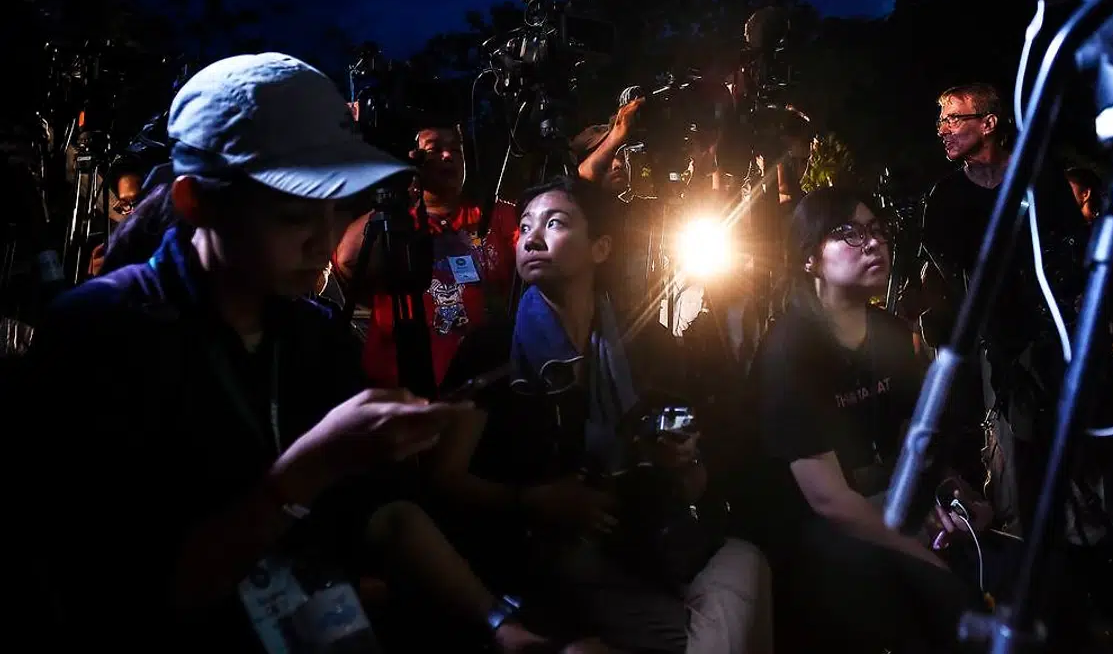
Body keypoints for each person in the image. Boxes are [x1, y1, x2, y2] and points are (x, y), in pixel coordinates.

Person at [18, 53, 575, 652]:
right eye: (291, 214)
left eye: (334, 207)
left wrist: (501, 627)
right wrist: (310, 468)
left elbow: (382, 515)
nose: (323, 238)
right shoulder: (102, 332)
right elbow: (116, 591)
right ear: (195, 202)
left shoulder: (316, 335)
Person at [491, 174, 772, 654]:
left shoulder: (641, 342)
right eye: (525, 226)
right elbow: (446, 482)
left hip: (647, 541)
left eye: (554, 223)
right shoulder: (497, 347)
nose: (531, 239)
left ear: (601, 248)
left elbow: (691, 475)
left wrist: (678, 456)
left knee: (748, 561)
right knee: (716, 630)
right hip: (558, 554)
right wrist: (536, 500)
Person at [748, 186, 985, 653]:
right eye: (849, 233)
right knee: (927, 592)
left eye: (876, 230)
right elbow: (829, 501)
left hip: (878, 501)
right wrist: (923, 558)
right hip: (812, 526)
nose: (873, 243)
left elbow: (914, 442)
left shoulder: (890, 335)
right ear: (809, 259)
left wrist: (952, 491)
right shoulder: (790, 350)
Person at [923, 82, 1087, 533]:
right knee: (1012, 454)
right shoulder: (945, 198)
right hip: (996, 343)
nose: (942, 130)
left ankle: (1089, 543)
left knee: (1078, 443)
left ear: (989, 123)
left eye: (953, 119)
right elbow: (946, 277)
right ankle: (1018, 545)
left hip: (1059, 331)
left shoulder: (1040, 177)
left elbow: (1075, 245)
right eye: (941, 121)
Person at [335, 119, 519, 389]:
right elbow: (348, 259)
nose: (448, 156)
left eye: (456, 150)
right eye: (434, 150)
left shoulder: (494, 215)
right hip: (399, 391)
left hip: (480, 387)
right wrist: (398, 195)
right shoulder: (394, 223)